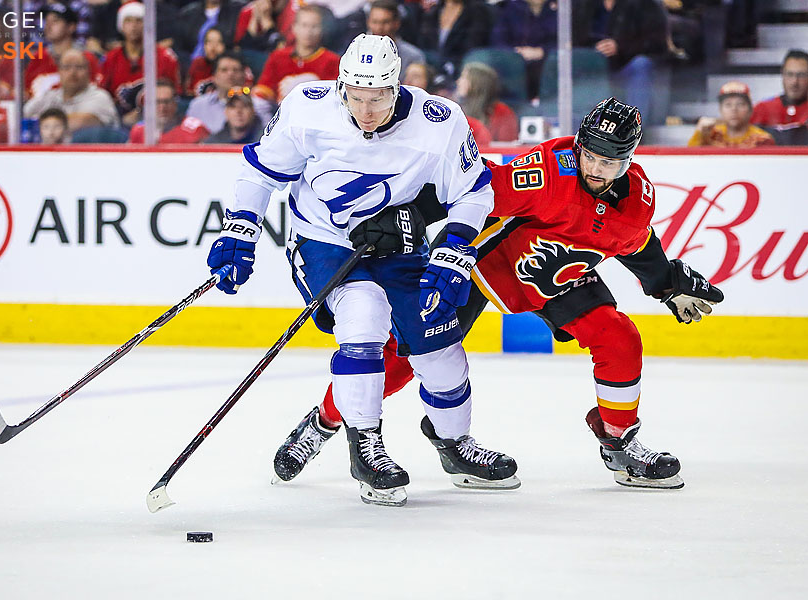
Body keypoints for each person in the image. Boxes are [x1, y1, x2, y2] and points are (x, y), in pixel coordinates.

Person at [272, 97, 725, 491]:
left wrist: (666, 283)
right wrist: (399, 214)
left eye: (608, 162)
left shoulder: (638, 198)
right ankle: (323, 422)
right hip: (481, 262)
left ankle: (620, 441)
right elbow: (472, 186)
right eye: (589, 154)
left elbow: (634, 243)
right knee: (408, 356)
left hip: (554, 274)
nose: (594, 168)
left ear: (628, 160)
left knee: (619, 336)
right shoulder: (548, 173)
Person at [207, 33, 517, 507]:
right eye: (355, 97)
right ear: (341, 87)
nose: (366, 110)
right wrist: (240, 227)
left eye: (377, 98)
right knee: (364, 312)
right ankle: (366, 450)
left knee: (440, 349)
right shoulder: (308, 109)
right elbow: (260, 172)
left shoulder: (439, 121)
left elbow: (474, 191)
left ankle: (456, 446)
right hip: (323, 240)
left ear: (396, 88)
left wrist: (454, 247)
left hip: (400, 245)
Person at [572, 0, 670, 126]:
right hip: (595, 68)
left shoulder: (645, 4)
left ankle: (631, 128)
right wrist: (593, 50)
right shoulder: (584, 5)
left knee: (641, 64)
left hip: (627, 67)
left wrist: (620, 46)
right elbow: (574, 39)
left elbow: (657, 43)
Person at [100, 1, 181, 127]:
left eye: (139, 21)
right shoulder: (110, 58)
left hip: (158, 116)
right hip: (119, 117)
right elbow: (103, 95)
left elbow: (174, 94)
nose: (133, 26)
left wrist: (141, 113)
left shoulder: (165, 57)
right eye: (128, 21)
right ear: (121, 25)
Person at [253, 6, 340, 103]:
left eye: (314, 26)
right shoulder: (277, 56)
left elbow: (335, 96)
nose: (308, 32)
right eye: (304, 25)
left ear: (322, 30)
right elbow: (264, 89)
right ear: (294, 27)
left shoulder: (332, 60)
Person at [24, 49, 120, 131]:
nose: (72, 72)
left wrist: (43, 123)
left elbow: (83, 122)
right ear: (59, 72)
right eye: (67, 67)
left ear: (88, 72)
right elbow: (23, 114)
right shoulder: (49, 96)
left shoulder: (100, 96)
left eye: (79, 67)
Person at [24, 4, 100, 100]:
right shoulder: (39, 56)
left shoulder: (86, 58)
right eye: (47, 21)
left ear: (71, 27)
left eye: (55, 21)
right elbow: (26, 90)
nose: (48, 26)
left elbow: (96, 91)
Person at [187, 51, 274, 133]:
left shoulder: (260, 106)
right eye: (224, 70)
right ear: (214, 76)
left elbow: (266, 138)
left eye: (235, 70)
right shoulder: (198, 105)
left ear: (244, 75)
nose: (230, 74)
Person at [492, 0, 557, 101]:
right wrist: (515, 53)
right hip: (515, 64)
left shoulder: (561, 9)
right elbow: (498, 39)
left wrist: (543, 51)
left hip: (548, 65)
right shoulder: (512, 8)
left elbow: (569, 41)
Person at [688, 81, 774, 148]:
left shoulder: (762, 139)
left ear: (750, 110)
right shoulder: (710, 135)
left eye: (740, 104)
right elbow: (690, 158)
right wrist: (699, 132)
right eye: (728, 105)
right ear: (720, 110)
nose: (734, 109)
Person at [418, 0, 492, 77]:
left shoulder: (477, 12)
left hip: (460, 71)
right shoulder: (433, 13)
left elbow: (472, 47)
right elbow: (423, 46)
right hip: (431, 71)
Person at [751, 49, 808, 146]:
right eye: (790, 74)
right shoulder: (762, 109)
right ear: (782, 74)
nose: (794, 82)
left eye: (801, 75)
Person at [128, 79, 210, 144]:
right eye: (157, 102)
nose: (162, 107)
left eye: (167, 101)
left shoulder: (194, 129)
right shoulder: (138, 131)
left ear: (175, 104)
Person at [456, 62, 519, 142]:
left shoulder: (502, 111)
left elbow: (507, 146)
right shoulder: (457, 109)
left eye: (463, 77)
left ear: (477, 83)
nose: (458, 82)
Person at [365, 0, 425, 80]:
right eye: (375, 22)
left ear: (396, 23)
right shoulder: (355, 52)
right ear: (368, 22)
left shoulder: (413, 57)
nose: (379, 27)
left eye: (385, 22)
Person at [186, 27, 226, 96]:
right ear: (204, 45)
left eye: (218, 42)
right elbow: (189, 92)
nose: (213, 47)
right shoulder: (197, 63)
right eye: (209, 42)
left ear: (224, 46)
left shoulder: (232, 66)